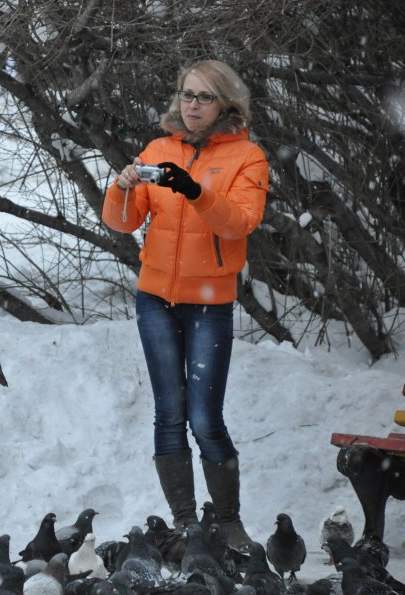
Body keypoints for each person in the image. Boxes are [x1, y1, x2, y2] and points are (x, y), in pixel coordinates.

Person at [101, 60, 268, 552]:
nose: (191, 105)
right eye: (186, 95)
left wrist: (195, 190)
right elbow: (121, 223)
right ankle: (184, 521)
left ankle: (230, 522)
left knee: (204, 418)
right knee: (169, 413)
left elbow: (239, 223)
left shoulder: (246, 157)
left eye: (204, 98)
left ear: (226, 105)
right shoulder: (158, 149)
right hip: (155, 298)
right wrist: (124, 185)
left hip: (208, 302)